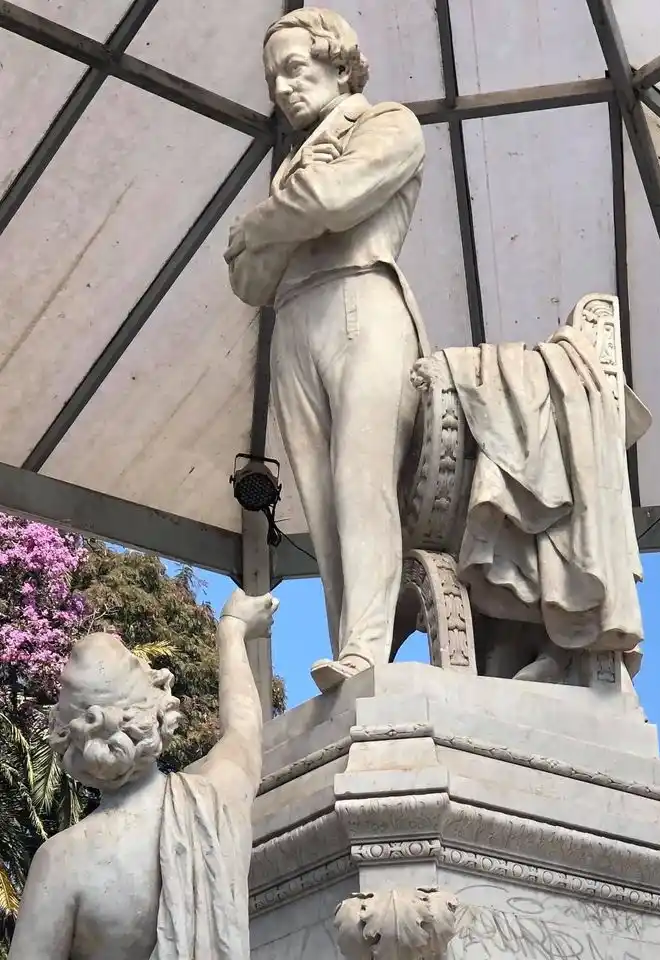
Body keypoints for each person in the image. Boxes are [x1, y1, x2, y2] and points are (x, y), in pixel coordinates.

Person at [225, 8, 431, 693]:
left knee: (358, 482)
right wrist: (288, 216)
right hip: (294, 323)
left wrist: (263, 221)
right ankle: (350, 645)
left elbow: (334, 199)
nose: (283, 89)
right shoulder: (290, 169)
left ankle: (369, 649)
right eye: (273, 78)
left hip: (363, 304)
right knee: (320, 502)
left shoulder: (388, 124)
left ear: (341, 66)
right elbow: (247, 278)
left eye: (296, 69)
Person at [8, 588, 278, 960]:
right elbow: (244, 731)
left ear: (71, 741)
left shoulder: (62, 860)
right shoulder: (212, 803)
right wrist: (232, 630)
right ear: (155, 709)